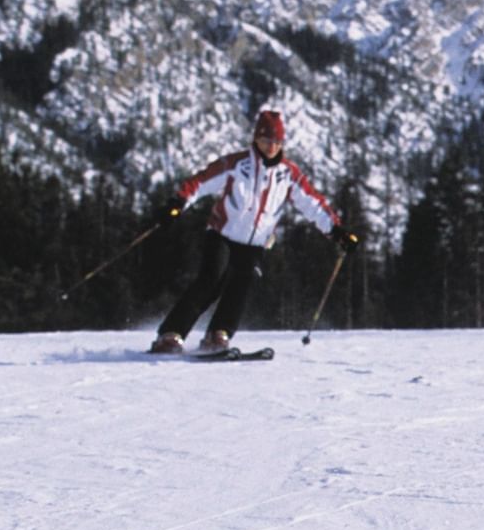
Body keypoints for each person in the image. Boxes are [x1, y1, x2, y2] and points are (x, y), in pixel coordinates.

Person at [149, 106, 357, 354]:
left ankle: (219, 335)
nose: (272, 146)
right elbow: (201, 182)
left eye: (277, 141)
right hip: (222, 234)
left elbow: (312, 204)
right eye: (266, 139)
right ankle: (171, 334)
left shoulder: (288, 174)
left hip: (256, 242)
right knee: (211, 280)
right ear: (256, 138)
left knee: (242, 284)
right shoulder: (236, 164)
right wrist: (178, 203)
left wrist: (336, 231)